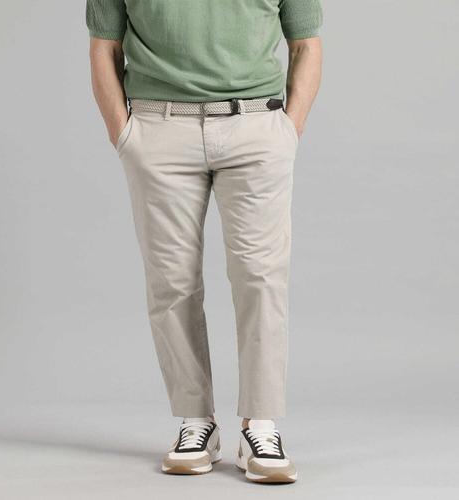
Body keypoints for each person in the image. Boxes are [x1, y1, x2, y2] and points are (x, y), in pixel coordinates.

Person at [86, 0, 322, 484]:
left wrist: (288, 129)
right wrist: (123, 133)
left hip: (255, 124)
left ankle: (260, 424)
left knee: (260, 277)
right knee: (171, 282)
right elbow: (104, 45)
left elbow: (306, 43)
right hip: (159, 127)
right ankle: (196, 422)